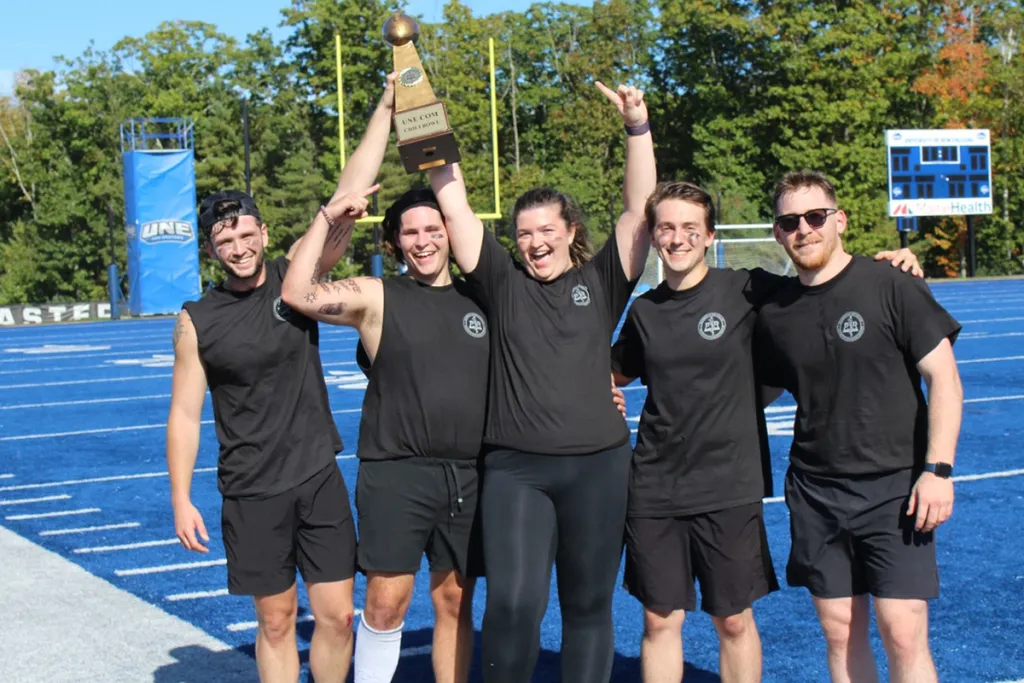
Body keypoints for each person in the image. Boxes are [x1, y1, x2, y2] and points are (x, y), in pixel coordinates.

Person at [610, 180, 923, 683]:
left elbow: (825, 273)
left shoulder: (748, 290)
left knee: (733, 620)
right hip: (654, 486)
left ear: (710, 236)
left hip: (729, 484)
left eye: (691, 228)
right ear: (654, 237)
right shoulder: (644, 311)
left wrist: (888, 265)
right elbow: (614, 371)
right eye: (667, 228)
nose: (678, 238)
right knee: (657, 618)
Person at [425, 81, 654, 683]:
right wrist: (422, 115)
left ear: (571, 230)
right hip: (516, 472)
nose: (535, 242)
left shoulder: (602, 281)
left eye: (546, 230)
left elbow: (639, 212)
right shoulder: (502, 282)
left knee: (587, 608)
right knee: (514, 603)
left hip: (600, 468)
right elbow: (453, 204)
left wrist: (637, 126)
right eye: (524, 233)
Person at [166, 122, 386, 682]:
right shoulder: (197, 320)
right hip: (251, 489)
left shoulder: (296, 279)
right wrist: (181, 498)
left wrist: (386, 107)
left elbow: (343, 200)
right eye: (225, 241)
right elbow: (185, 413)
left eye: (245, 235)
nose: (238, 248)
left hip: (316, 475)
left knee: (337, 618)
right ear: (212, 249)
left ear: (263, 232)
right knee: (277, 620)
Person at [755, 170, 962, 683]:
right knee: (840, 629)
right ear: (777, 233)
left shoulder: (891, 282)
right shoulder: (773, 311)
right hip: (816, 491)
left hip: (897, 487)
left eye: (815, 216)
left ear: (839, 220)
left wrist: (937, 469)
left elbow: (946, 379)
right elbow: (761, 389)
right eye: (790, 221)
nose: (804, 228)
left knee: (903, 629)